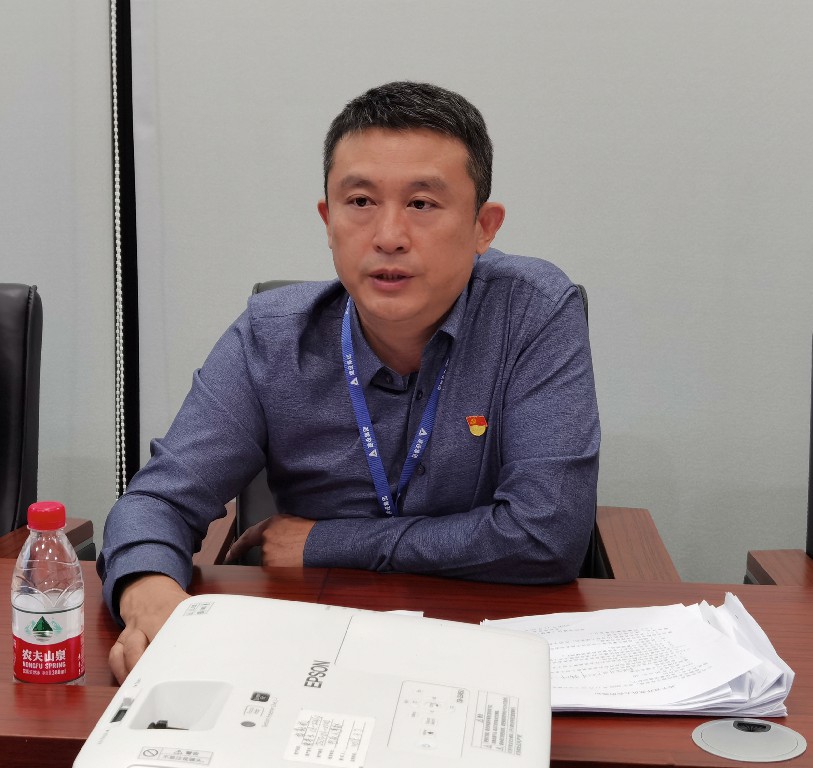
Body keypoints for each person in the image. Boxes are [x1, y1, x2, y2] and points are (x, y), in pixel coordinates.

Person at [99, 81, 600, 683]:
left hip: (489, 645)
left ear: (483, 227)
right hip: (311, 648)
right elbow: (158, 502)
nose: (388, 235)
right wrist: (147, 589)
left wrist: (325, 542)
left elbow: (547, 535)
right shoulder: (273, 336)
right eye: (360, 201)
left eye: (422, 204)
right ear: (328, 219)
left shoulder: (533, 313)